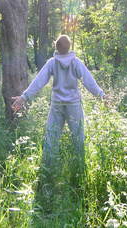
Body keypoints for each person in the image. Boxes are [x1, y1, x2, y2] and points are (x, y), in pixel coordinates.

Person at [11, 35, 110, 183]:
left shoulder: (52, 63)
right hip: (74, 106)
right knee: (78, 139)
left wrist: (24, 97)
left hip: (57, 105)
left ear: (56, 47)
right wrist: (102, 95)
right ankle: (80, 171)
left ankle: (48, 173)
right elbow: (88, 81)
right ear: (69, 47)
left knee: (51, 139)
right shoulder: (75, 62)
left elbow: (39, 81)